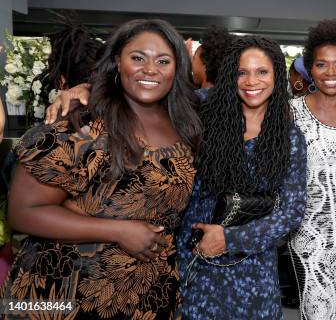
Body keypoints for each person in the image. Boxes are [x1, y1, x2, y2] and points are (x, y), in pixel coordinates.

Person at [3, 19, 202, 319]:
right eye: (137, 58)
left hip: (148, 295)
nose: (150, 70)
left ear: (177, 69)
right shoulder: (82, 125)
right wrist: (118, 231)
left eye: (163, 61)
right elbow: (22, 212)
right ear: (117, 62)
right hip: (63, 294)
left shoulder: (187, 125)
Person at [176, 36, 307, 319]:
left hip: (254, 270)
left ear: (276, 75)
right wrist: (80, 91)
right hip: (197, 263)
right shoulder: (203, 110)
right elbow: (143, 101)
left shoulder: (288, 137)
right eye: (242, 72)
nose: (251, 81)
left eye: (262, 72)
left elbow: (291, 212)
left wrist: (229, 239)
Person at [287, 19, 336, 319]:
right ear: (310, 68)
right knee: (316, 310)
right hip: (309, 235)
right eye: (322, 65)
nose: (331, 73)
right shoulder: (291, 111)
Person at [191, 25, 233, 99]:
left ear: (205, 64)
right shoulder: (229, 99)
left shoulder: (192, 101)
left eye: (194, 58)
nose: (191, 64)